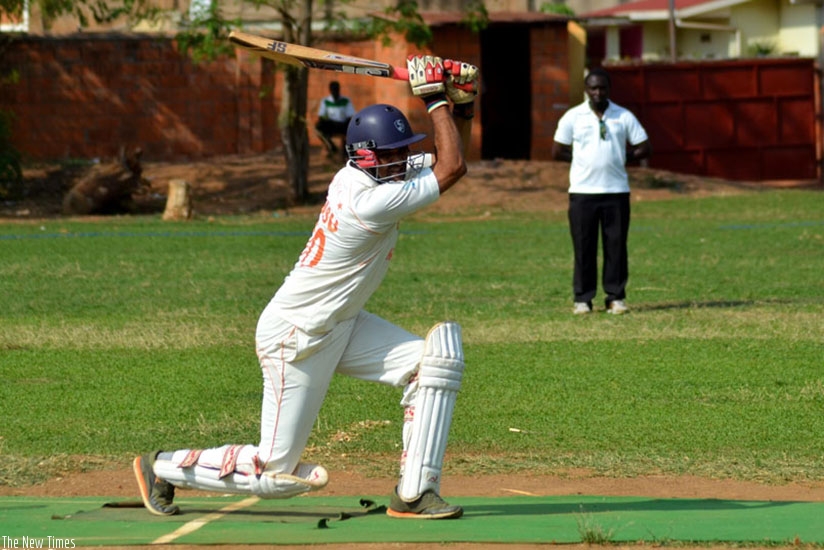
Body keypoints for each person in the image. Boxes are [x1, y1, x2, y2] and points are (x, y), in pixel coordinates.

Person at [133, 55, 479, 520]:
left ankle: (415, 492)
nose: (403, 162)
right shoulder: (368, 201)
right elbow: (450, 169)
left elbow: (445, 159)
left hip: (342, 325)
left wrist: (463, 105)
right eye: (394, 154)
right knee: (275, 472)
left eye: (404, 153)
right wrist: (435, 98)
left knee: (435, 361)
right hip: (296, 336)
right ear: (368, 156)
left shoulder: (374, 173)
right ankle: (164, 467)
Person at [551, 67, 651, 315]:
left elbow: (644, 146)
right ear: (586, 90)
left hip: (616, 192)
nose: (597, 92)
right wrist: (581, 158)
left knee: (616, 246)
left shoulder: (623, 116)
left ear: (609, 89)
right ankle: (583, 299)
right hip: (583, 193)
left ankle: (615, 297)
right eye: (593, 88)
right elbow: (557, 150)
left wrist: (623, 157)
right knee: (584, 247)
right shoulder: (573, 116)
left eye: (602, 88)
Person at [315, 81, 356, 159]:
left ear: (339, 90)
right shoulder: (325, 101)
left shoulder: (346, 100)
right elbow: (321, 116)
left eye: (336, 90)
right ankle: (331, 146)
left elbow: (350, 115)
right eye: (333, 90)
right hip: (331, 125)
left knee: (351, 125)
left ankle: (345, 152)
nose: (335, 92)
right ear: (330, 91)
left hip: (343, 125)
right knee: (318, 126)